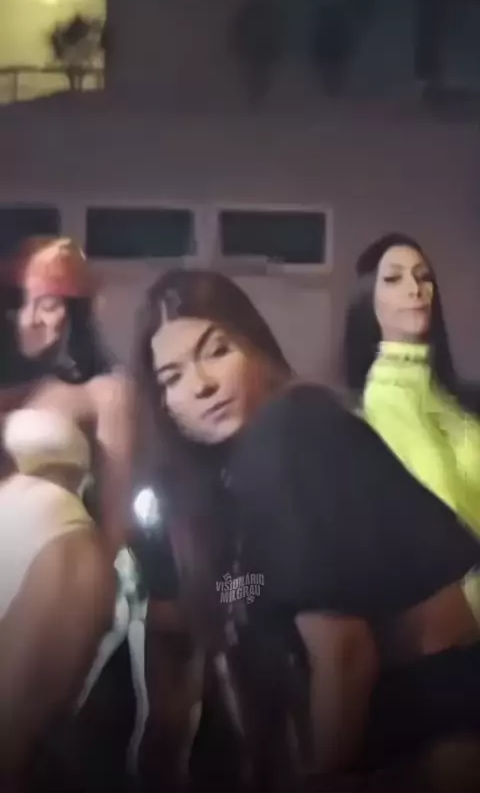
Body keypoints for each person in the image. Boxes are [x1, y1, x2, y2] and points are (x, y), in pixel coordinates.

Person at [132, 268, 480, 791]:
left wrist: (324, 776)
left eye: (217, 351)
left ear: (257, 350)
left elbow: (345, 652)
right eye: (172, 377)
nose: (202, 385)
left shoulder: (291, 429)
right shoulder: (226, 478)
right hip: (396, 729)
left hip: (436, 730)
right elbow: (252, 590)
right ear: (163, 404)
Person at [0, 237, 134, 789]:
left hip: (56, 557)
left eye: (49, 302)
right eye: (21, 302)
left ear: (75, 311)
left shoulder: (105, 390)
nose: (32, 317)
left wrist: (102, 593)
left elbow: (119, 505)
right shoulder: (11, 387)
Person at [341, 233, 480, 646]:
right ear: (368, 301)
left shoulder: (444, 391)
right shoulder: (385, 397)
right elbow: (441, 528)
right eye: (394, 278)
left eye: (423, 277)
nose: (414, 289)